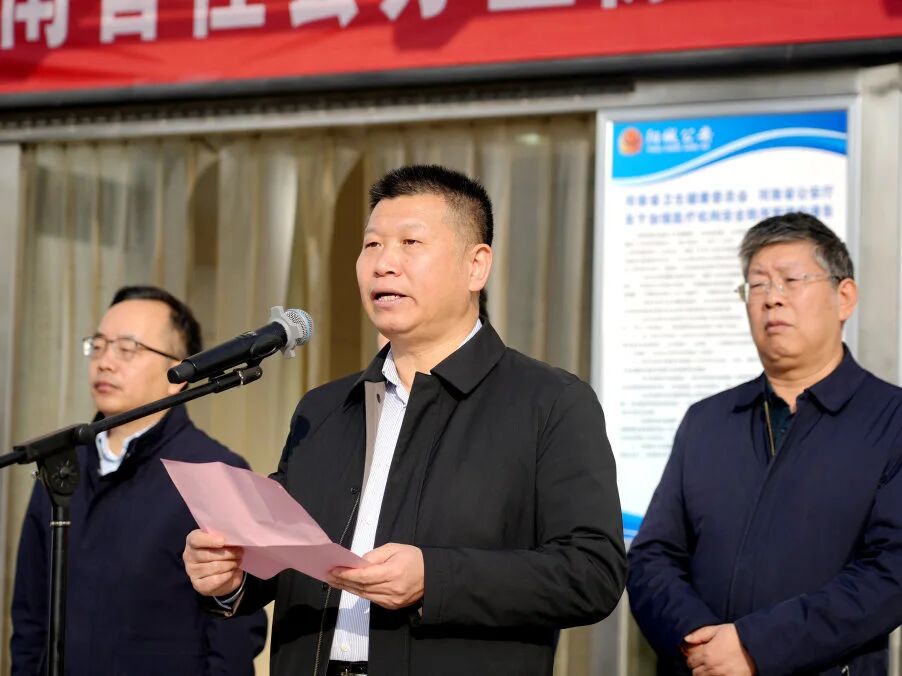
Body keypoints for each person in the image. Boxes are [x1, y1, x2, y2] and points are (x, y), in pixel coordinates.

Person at [182, 164, 627, 676]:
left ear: (476, 266)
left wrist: (435, 578)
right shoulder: (323, 409)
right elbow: (284, 555)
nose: (384, 264)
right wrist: (230, 576)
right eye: (372, 245)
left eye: (410, 243)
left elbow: (592, 572)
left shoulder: (549, 402)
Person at [627, 213, 902, 676]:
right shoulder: (707, 421)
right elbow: (653, 557)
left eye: (791, 280)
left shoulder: (890, 420)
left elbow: (891, 572)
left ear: (844, 297)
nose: (772, 297)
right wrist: (699, 642)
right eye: (757, 285)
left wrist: (755, 647)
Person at [11, 286, 267, 675]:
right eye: (98, 346)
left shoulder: (216, 472)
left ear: (178, 374)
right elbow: (30, 615)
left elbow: (234, 636)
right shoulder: (61, 462)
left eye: (127, 349)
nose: (105, 362)